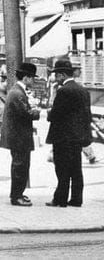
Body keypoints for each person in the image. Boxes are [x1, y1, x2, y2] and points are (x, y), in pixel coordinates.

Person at [45, 58, 93, 208]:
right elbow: (87, 115)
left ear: (61, 75)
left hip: (63, 138)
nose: (55, 78)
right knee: (76, 170)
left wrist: (49, 113)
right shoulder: (83, 90)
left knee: (62, 169)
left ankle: (60, 199)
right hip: (78, 137)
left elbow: (56, 115)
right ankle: (76, 199)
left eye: (56, 75)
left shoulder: (63, 91)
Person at [0, 61, 40, 206]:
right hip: (18, 137)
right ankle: (16, 196)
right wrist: (37, 110)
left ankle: (19, 193)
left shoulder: (17, 91)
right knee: (20, 166)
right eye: (33, 78)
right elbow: (27, 113)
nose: (34, 81)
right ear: (27, 77)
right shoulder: (17, 93)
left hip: (18, 136)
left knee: (21, 166)